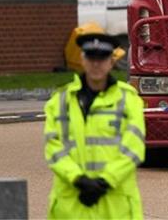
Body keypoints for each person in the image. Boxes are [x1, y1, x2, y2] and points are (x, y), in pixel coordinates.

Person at [44, 33, 146, 219]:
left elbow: (133, 148)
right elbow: (54, 148)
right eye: (91, 57)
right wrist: (78, 179)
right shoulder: (60, 102)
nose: (96, 64)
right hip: (72, 208)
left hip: (114, 208)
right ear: (82, 59)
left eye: (103, 58)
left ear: (111, 61)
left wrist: (105, 181)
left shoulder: (128, 100)